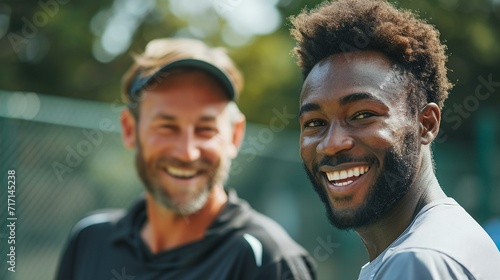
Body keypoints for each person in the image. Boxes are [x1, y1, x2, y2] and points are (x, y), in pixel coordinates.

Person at [55, 38, 316, 280]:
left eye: (206, 129)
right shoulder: (90, 239)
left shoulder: (270, 261)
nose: (187, 152)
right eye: (167, 127)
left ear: (235, 136)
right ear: (129, 129)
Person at [290, 0, 500, 279]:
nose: (332, 143)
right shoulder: (448, 238)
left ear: (426, 124)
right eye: (315, 123)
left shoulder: (417, 260)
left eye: (362, 115)